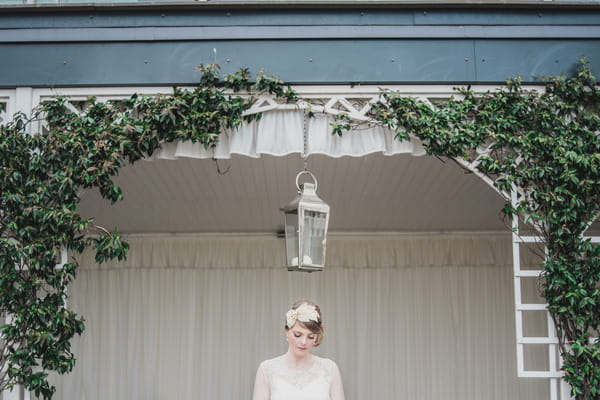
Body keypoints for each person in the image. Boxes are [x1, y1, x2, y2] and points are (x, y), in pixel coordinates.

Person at [252, 300, 345, 400]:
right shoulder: (267, 370)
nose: (304, 342)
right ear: (287, 331)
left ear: (316, 337)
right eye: (298, 335)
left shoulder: (330, 369)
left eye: (310, 336)